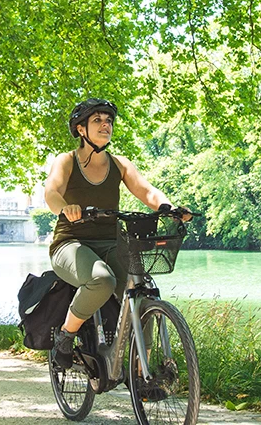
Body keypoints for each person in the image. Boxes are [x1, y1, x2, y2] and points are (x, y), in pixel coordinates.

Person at [44, 98, 190, 369]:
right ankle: (66, 337)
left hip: (111, 242)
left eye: (108, 121)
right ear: (80, 129)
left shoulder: (120, 164)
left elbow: (147, 191)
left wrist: (168, 208)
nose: (105, 125)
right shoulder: (66, 161)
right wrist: (66, 208)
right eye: (97, 120)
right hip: (71, 243)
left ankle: (140, 371)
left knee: (141, 289)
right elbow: (51, 192)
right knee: (102, 280)